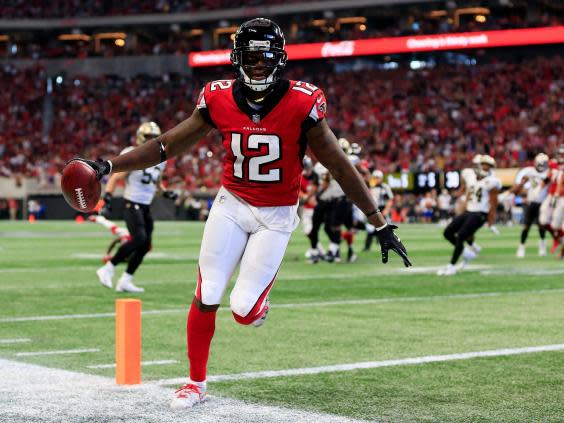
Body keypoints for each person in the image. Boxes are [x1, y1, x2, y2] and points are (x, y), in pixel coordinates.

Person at [73, 18, 411, 410]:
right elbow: (165, 146)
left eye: (265, 59)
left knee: (243, 311)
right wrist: (109, 166)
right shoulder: (216, 97)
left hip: (277, 215)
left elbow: (339, 165)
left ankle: (257, 306)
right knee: (208, 292)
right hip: (231, 205)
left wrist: (379, 222)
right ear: (237, 60)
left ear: (279, 60)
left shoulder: (303, 102)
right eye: (250, 59)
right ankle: (195, 383)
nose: (257, 67)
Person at [95, 122, 178, 293]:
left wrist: (166, 193)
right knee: (139, 238)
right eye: (148, 137)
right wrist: (108, 197)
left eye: (153, 137)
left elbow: (156, 185)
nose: (151, 140)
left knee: (145, 245)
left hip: (145, 206)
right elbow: (115, 177)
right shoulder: (132, 153)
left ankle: (125, 280)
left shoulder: (160, 158)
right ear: (140, 137)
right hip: (131, 204)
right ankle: (108, 268)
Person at [438, 155, 500, 276]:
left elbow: (493, 203)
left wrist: (490, 222)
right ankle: (467, 253)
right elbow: (465, 188)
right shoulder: (470, 176)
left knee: (461, 236)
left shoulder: (492, 181)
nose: (486, 168)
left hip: (480, 214)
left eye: (489, 167)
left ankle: (451, 267)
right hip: (469, 211)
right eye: (484, 165)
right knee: (447, 232)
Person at [512, 153, 550, 258]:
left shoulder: (549, 173)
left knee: (541, 226)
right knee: (526, 227)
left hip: (542, 203)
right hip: (531, 202)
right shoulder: (530, 172)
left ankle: (542, 244)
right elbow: (521, 184)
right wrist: (518, 191)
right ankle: (522, 246)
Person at [364, 170, 394, 252]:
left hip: (382, 208)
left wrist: (386, 210)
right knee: (370, 228)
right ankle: (367, 246)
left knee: (386, 228)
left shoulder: (385, 187)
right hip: (373, 208)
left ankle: (389, 245)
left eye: (378, 178)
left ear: (381, 178)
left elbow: (390, 199)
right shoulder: (370, 187)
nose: (376, 179)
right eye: (375, 177)